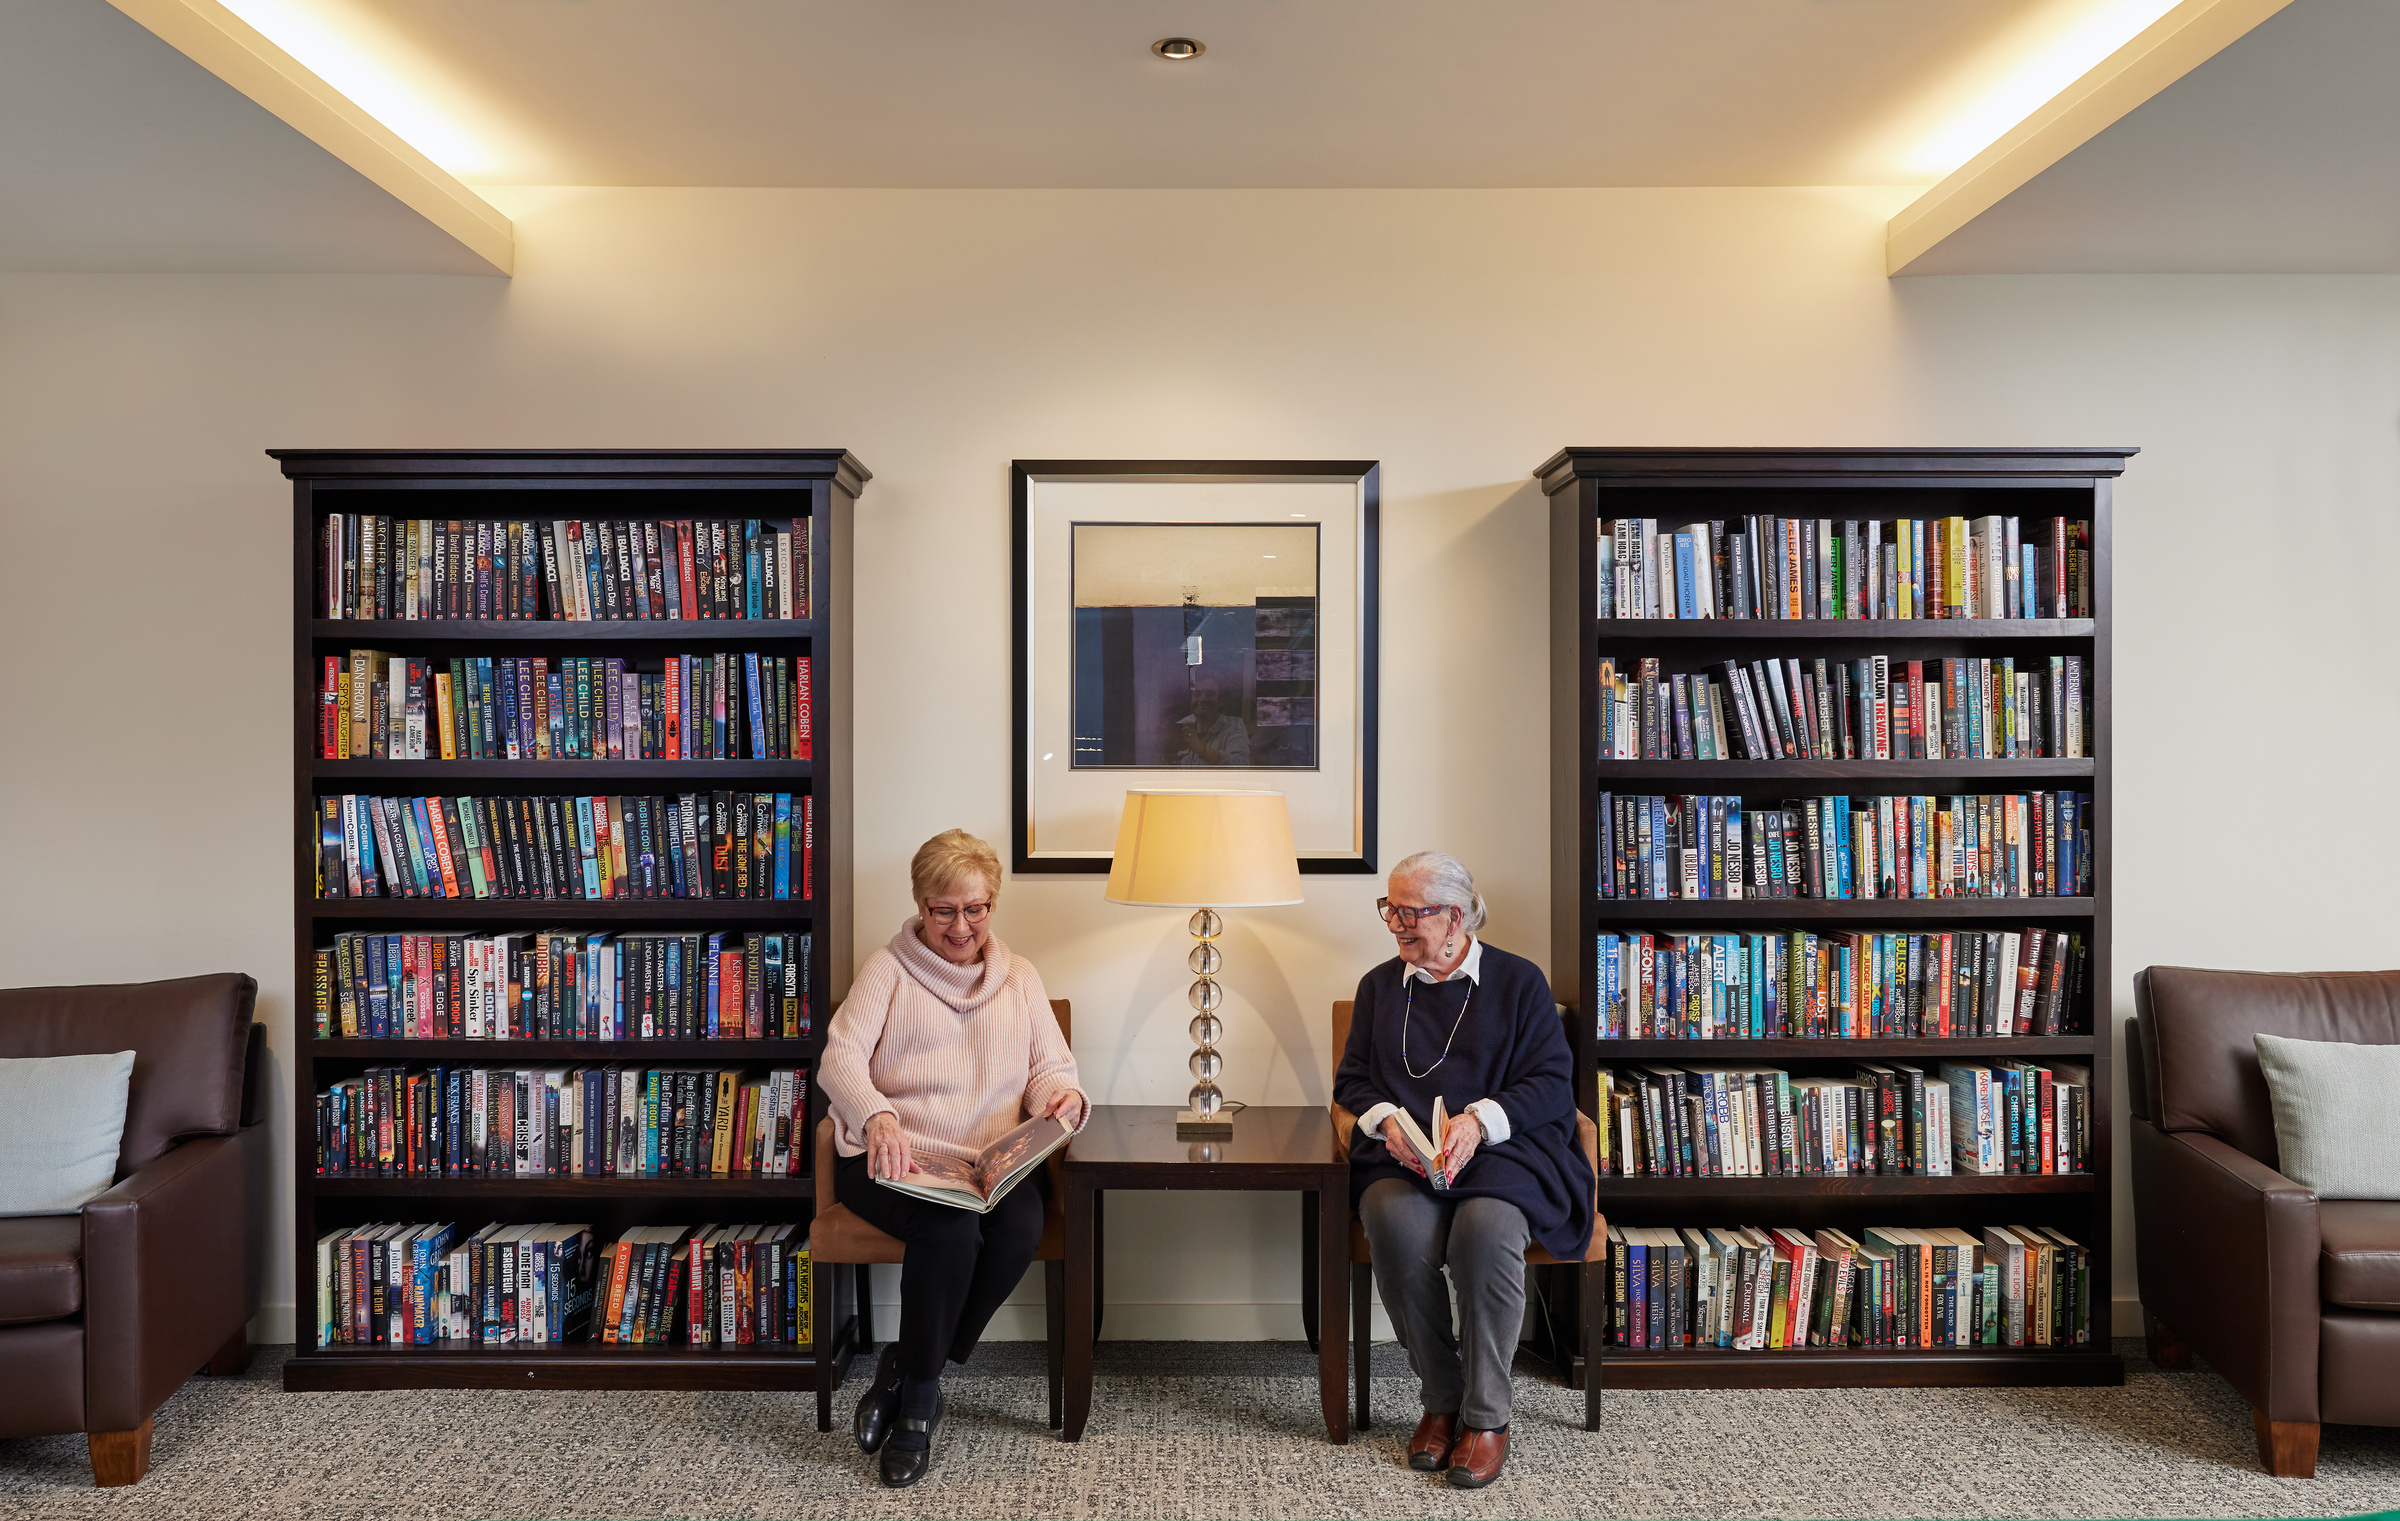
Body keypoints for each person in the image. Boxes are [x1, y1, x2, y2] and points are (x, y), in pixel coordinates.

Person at [819, 829, 1086, 1487]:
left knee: (1022, 1224)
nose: (961, 925)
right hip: (890, 1156)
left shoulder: (1019, 977)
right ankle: (918, 1403)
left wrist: (1062, 1097)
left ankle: (908, 1364)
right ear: (921, 905)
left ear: (992, 903)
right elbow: (840, 1057)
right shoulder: (889, 967)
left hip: (984, 1164)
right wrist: (877, 1113)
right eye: (945, 910)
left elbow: (1050, 1067)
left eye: (976, 908)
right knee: (949, 1229)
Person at [1333, 851, 1594, 1489]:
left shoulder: (1519, 982)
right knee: (1391, 1224)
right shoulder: (1378, 987)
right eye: (1388, 910)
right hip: (1409, 1159)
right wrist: (1388, 1122)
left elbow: (1553, 1085)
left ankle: (1487, 1417)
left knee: (1484, 1232)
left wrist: (1479, 1122)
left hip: (1505, 1153)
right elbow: (1354, 1083)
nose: (1395, 925)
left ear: (1454, 917)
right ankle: (1442, 1399)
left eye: (1408, 913)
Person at [1171, 680, 1250, 766]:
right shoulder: (1181, 725)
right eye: (1197, 694)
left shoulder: (1235, 726)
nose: (1202, 699)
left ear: (1221, 700)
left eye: (1210, 694)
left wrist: (1201, 749)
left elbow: (1241, 766)